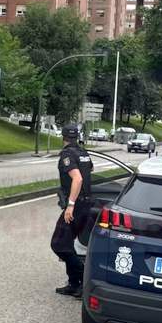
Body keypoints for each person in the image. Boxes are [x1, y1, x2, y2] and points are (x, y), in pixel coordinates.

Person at [50, 124, 94, 297]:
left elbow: (78, 178)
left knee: (58, 244)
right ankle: (74, 283)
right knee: (67, 244)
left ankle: (84, 278)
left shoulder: (67, 155)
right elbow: (90, 170)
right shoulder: (84, 153)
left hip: (77, 206)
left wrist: (70, 204)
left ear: (63, 137)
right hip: (87, 204)